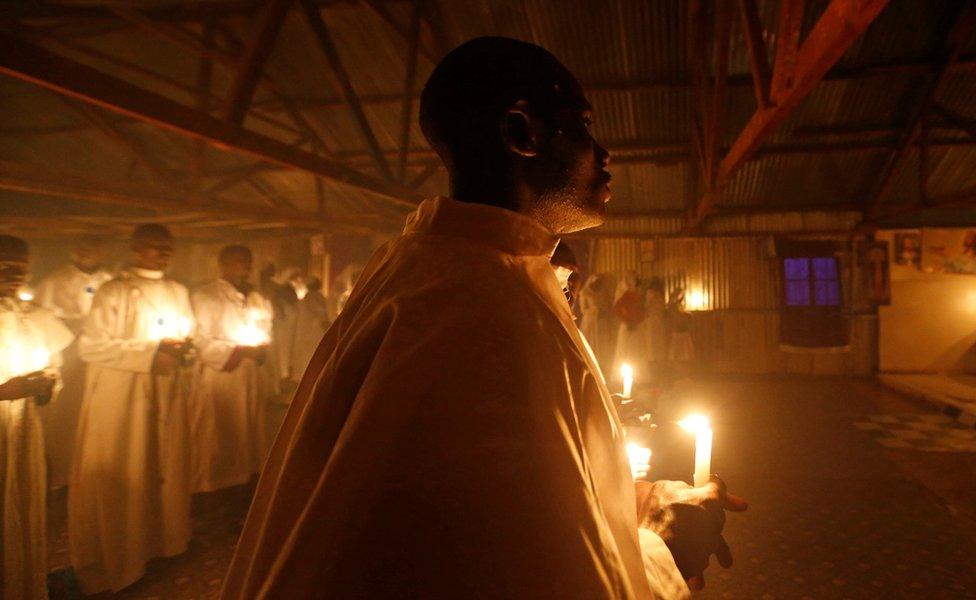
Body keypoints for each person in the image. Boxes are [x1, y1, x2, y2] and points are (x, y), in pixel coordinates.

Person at [222, 37, 744, 600]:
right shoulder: (476, 310)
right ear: (522, 133)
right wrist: (665, 550)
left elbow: (514, 509)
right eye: (583, 127)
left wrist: (634, 504)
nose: (604, 152)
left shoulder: (454, 273)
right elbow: (516, 574)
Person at [69, 224, 195, 594]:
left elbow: (188, 333)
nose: (162, 251)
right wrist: (149, 355)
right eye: (154, 245)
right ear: (136, 248)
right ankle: (124, 555)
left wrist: (183, 350)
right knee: (129, 465)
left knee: (164, 464)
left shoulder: (177, 291)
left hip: (166, 388)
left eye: (167, 245)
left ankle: (163, 543)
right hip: (123, 394)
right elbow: (90, 346)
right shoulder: (114, 291)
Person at [0, 235, 73, 600]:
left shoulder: (33, 316)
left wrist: (48, 383)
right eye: (4, 265)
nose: (14, 274)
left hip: (24, 429)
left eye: (21, 268)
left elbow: (52, 364)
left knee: (21, 509)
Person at [188, 245, 275, 494]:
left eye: (248, 262)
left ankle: (246, 475)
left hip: (250, 374)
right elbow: (199, 339)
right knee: (219, 427)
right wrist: (237, 351)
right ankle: (213, 481)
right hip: (221, 375)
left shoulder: (257, 297)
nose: (246, 267)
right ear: (223, 264)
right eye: (240, 262)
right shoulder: (205, 296)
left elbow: (266, 328)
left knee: (248, 424)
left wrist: (261, 347)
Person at [35, 237, 113, 490]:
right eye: (82, 248)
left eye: (93, 248)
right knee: (67, 415)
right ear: (73, 251)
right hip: (69, 359)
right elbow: (40, 318)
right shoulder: (54, 282)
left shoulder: (111, 282)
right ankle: (62, 472)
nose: (87, 253)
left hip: (102, 360)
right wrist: (72, 327)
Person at [289, 277, 331, 382]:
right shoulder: (315, 298)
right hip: (312, 331)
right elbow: (321, 314)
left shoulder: (309, 298)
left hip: (310, 332)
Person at [614, 270, 648, 377]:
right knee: (625, 350)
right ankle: (623, 376)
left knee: (637, 350)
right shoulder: (624, 294)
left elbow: (642, 310)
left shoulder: (639, 295)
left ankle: (639, 375)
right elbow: (617, 309)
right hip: (627, 326)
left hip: (637, 326)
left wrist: (637, 321)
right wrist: (627, 321)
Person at [580, 273, 616, 372]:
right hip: (590, 322)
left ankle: (602, 366)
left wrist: (603, 311)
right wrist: (595, 311)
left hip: (600, 322)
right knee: (591, 343)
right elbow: (583, 310)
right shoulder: (585, 293)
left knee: (601, 344)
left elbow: (605, 305)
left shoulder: (601, 293)